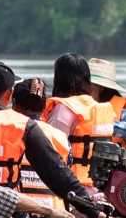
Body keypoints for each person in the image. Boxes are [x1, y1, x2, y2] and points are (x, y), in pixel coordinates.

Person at [9, 77, 99, 211]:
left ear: (14, 104)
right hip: (54, 214)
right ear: (44, 106)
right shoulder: (61, 137)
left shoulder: (9, 134)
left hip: (20, 211)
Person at [43, 53, 117, 186]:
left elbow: (50, 152)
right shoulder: (101, 108)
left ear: (59, 78)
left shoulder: (64, 108)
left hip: (71, 186)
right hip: (98, 186)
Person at [87, 57, 126, 146]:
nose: (82, 89)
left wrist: (103, 125)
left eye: (87, 85)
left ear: (100, 88)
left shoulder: (122, 110)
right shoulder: (81, 107)